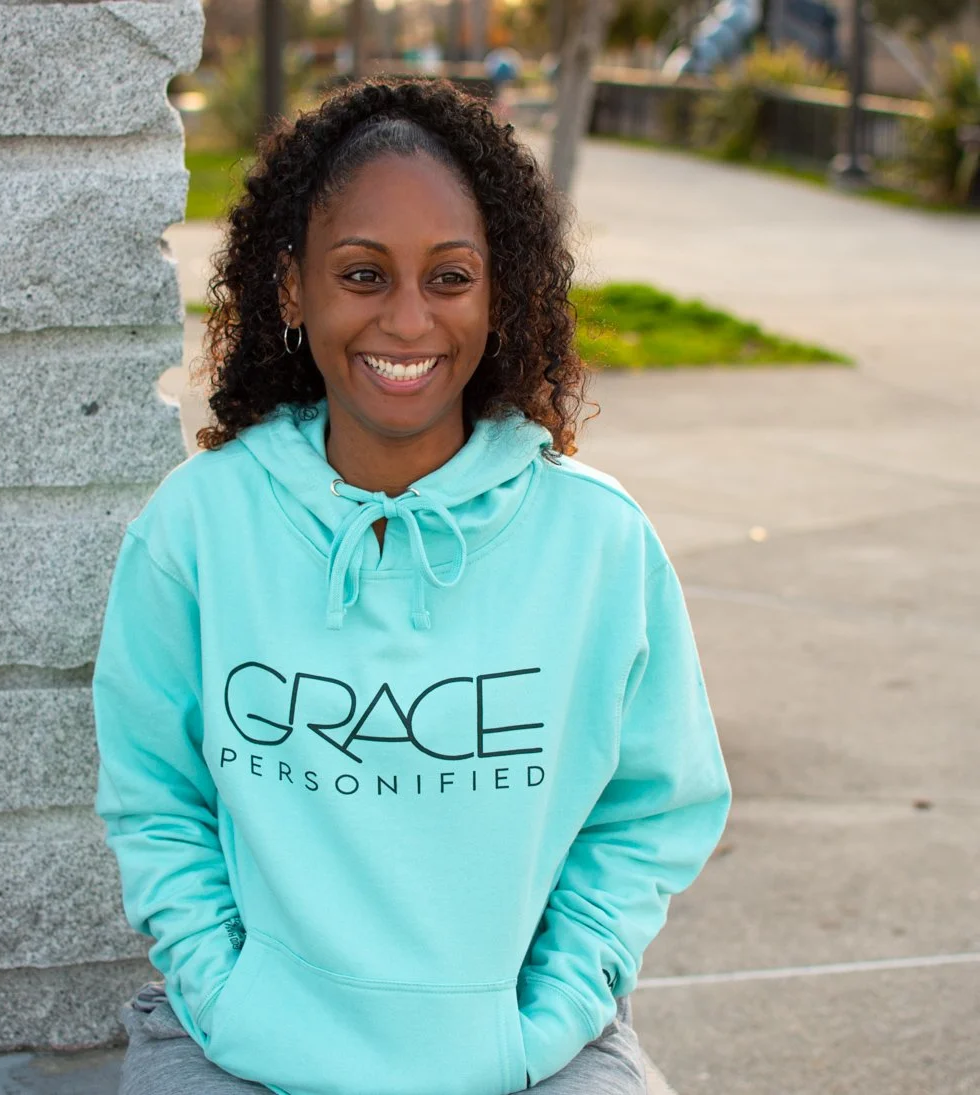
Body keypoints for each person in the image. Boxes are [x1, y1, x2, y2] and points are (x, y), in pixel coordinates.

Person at [93, 78, 731, 1095]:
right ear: (292, 289)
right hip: (235, 1040)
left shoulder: (597, 541)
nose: (406, 318)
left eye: (449, 277)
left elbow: (652, 808)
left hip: (532, 1052)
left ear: (497, 292)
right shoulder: (198, 529)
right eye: (362, 274)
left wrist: (551, 1009)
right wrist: (225, 988)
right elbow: (155, 795)